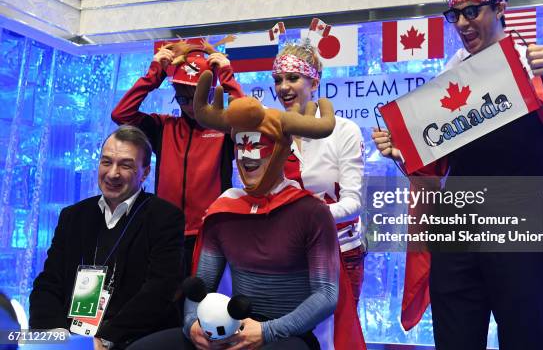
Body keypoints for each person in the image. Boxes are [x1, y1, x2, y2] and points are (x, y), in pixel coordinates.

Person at [372, 0, 543, 349]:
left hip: (518, 217)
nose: (461, 22)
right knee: (455, 338)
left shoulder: (534, 67)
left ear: (500, 9)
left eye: (471, 11)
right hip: (456, 222)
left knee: (523, 336)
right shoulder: (449, 79)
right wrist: (400, 156)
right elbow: (432, 170)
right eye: (454, 14)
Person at [127, 71, 339, 350]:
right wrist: (192, 324)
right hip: (228, 328)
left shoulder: (311, 212)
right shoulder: (224, 210)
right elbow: (201, 283)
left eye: (259, 145)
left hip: (288, 337)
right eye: (241, 144)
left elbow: (326, 295)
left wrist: (268, 331)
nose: (247, 155)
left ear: (281, 150)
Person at [29, 125, 185, 349]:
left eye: (125, 165)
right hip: (73, 337)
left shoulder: (165, 218)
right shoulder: (73, 216)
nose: (113, 173)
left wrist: (103, 339)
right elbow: (48, 283)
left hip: (130, 339)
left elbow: (159, 292)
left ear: (146, 172)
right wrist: (59, 335)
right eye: (106, 162)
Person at [111, 40, 244, 275]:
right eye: (183, 98)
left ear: (211, 93)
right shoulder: (164, 127)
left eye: (197, 97)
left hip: (210, 236)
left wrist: (227, 76)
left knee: (201, 308)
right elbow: (121, 114)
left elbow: (249, 121)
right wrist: (154, 74)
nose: (191, 106)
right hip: (166, 233)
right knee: (165, 306)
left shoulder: (224, 131)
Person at [272, 43, 366, 306]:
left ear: (314, 83)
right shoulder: (272, 133)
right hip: (288, 255)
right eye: (278, 80)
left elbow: (353, 204)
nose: (283, 87)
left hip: (339, 253)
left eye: (293, 78)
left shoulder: (344, 130)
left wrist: (304, 217)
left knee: (339, 340)